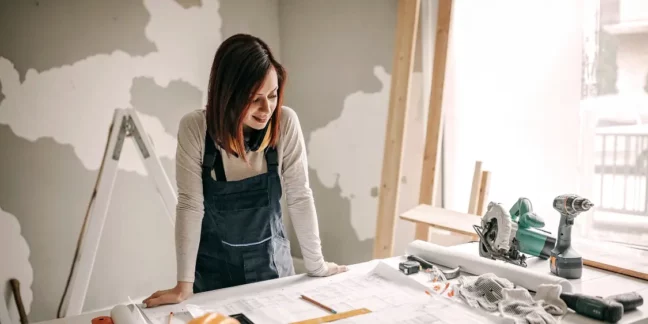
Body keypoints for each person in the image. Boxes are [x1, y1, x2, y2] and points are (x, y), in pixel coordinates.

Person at [143, 34, 347, 307]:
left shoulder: (285, 123)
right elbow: (191, 206)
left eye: (273, 95)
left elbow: (300, 196)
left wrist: (316, 265)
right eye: (254, 99)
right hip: (214, 279)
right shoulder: (195, 128)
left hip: (273, 274)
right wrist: (183, 286)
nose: (267, 109)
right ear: (228, 95)